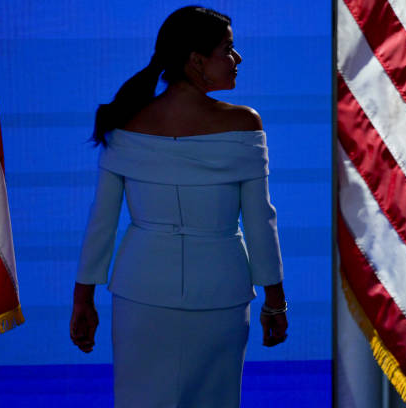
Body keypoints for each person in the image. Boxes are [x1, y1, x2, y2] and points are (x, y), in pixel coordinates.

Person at [70, 6, 288, 407]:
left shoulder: (126, 120)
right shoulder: (245, 124)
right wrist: (276, 302)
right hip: (220, 289)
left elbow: (102, 219)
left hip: (140, 289)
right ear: (195, 61)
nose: (237, 59)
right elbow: (261, 221)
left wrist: (83, 298)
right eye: (229, 48)